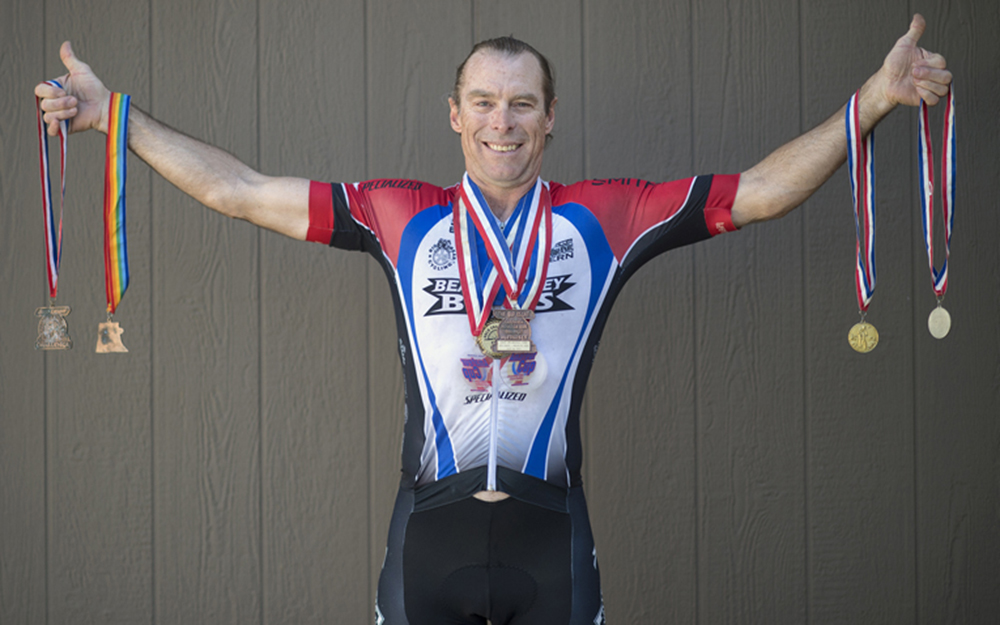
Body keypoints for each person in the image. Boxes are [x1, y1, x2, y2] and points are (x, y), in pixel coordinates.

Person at [36, 14, 951, 625]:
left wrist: (871, 99)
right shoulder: (398, 215)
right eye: (483, 102)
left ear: (549, 119)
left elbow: (756, 192)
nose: (500, 121)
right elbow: (234, 190)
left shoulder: (607, 215)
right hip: (425, 532)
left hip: (551, 535)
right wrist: (114, 118)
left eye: (521, 104)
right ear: (454, 115)